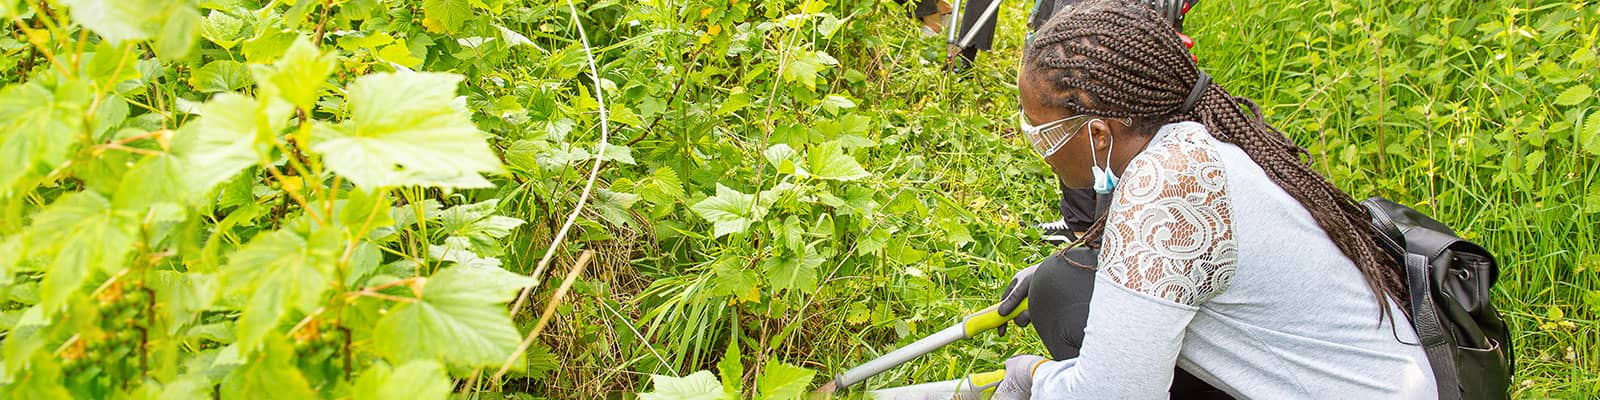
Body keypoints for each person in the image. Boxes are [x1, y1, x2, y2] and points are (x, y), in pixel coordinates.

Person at [990, 1, 1438, 398]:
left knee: (1066, 296)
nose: (1036, 146)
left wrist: (1037, 377)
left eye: (1038, 130)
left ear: (1098, 134)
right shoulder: (1196, 146)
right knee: (1063, 285)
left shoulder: (1165, 191)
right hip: (1382, 379)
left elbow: (1112, 394)